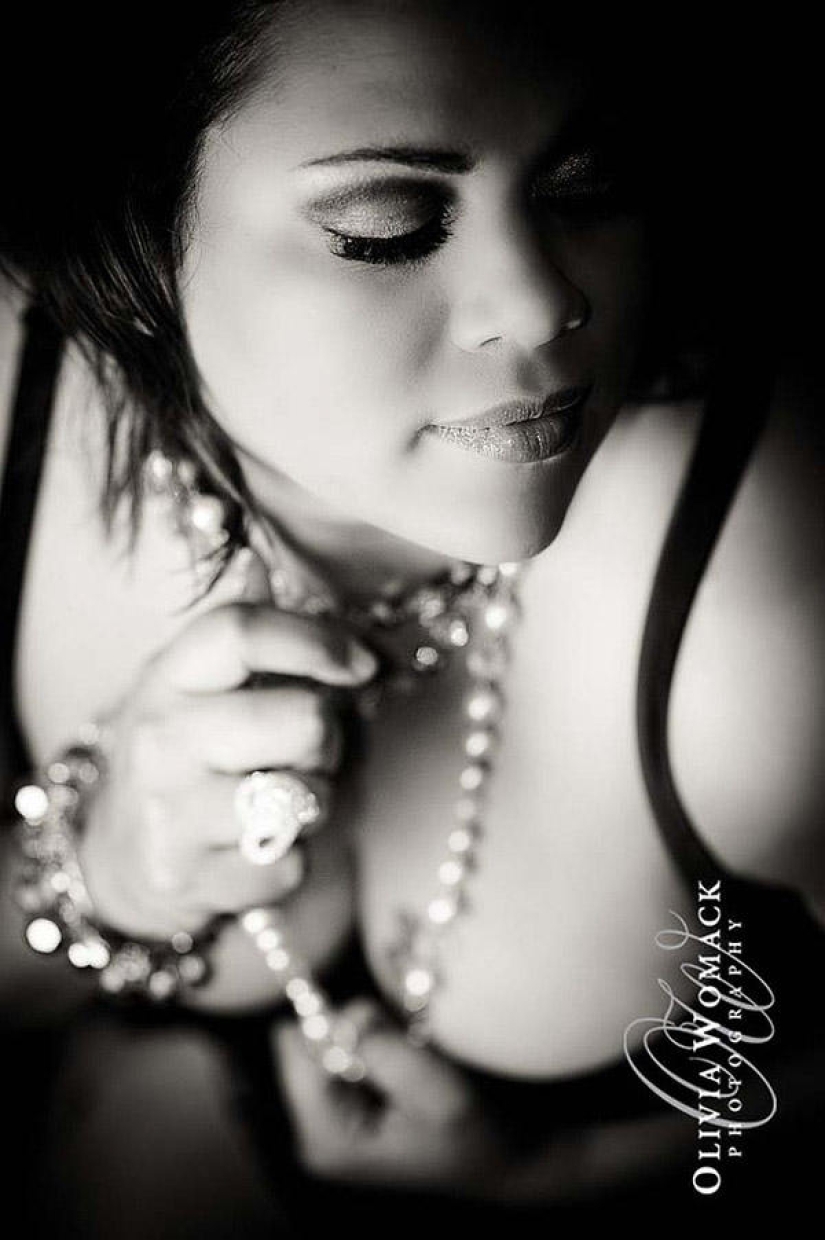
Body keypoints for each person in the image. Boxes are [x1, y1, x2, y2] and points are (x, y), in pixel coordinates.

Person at [1, 3, 823, 1234]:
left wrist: (576, 1176)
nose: (541, 303)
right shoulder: (15, 391)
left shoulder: (764, 613)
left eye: (586, 187)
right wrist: (96, 877)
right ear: (134, 232)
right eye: (388, 228)